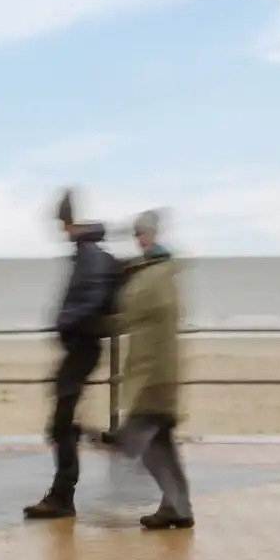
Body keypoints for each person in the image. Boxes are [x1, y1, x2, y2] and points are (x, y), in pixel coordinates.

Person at [24, 189, 121, 519]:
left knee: (62, 422)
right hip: (81, 345)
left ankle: (63, 496)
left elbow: (91, 296)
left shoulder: (90, 255)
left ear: (69, 224)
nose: (59, 230)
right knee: (63, 416)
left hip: (83, 345)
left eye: (60, 222)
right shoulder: (86, 252)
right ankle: (65, 487)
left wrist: (65, 320)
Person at [106, 210, 192, 529]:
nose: (139, 238)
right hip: (160, 370)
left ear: (152, 234)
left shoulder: (152, 276)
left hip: (151, 374)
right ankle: (177, 508)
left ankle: (177, 507)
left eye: (141, 233)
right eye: (136, 233)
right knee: (163, 444)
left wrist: (94, 324)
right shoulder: (161, 271)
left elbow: (128, 315)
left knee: (145, 445)